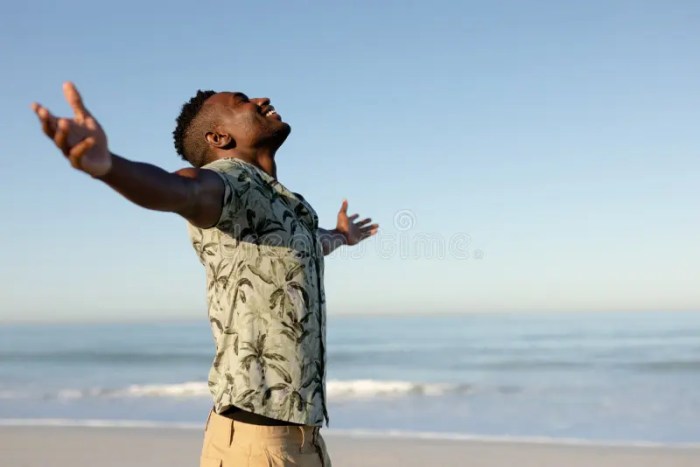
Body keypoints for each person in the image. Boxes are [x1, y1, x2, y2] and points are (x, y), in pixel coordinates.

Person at [31, 82, 379, 467]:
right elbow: (180, 190)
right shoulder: (225, 181)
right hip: (258, 444)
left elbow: (304, 243)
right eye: (242, 102)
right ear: (219, 137)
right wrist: (110, 166)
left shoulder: (281, 203)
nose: (261, 99)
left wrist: (341, 236)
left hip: (303, 441)